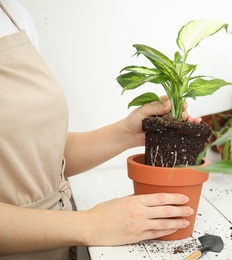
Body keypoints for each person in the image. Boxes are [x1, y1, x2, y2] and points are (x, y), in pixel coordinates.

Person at [0, 1, 202, 259]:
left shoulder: (12, 14)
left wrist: (125, 134)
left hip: (59, 249)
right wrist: (94, 224)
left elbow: (34, 159)